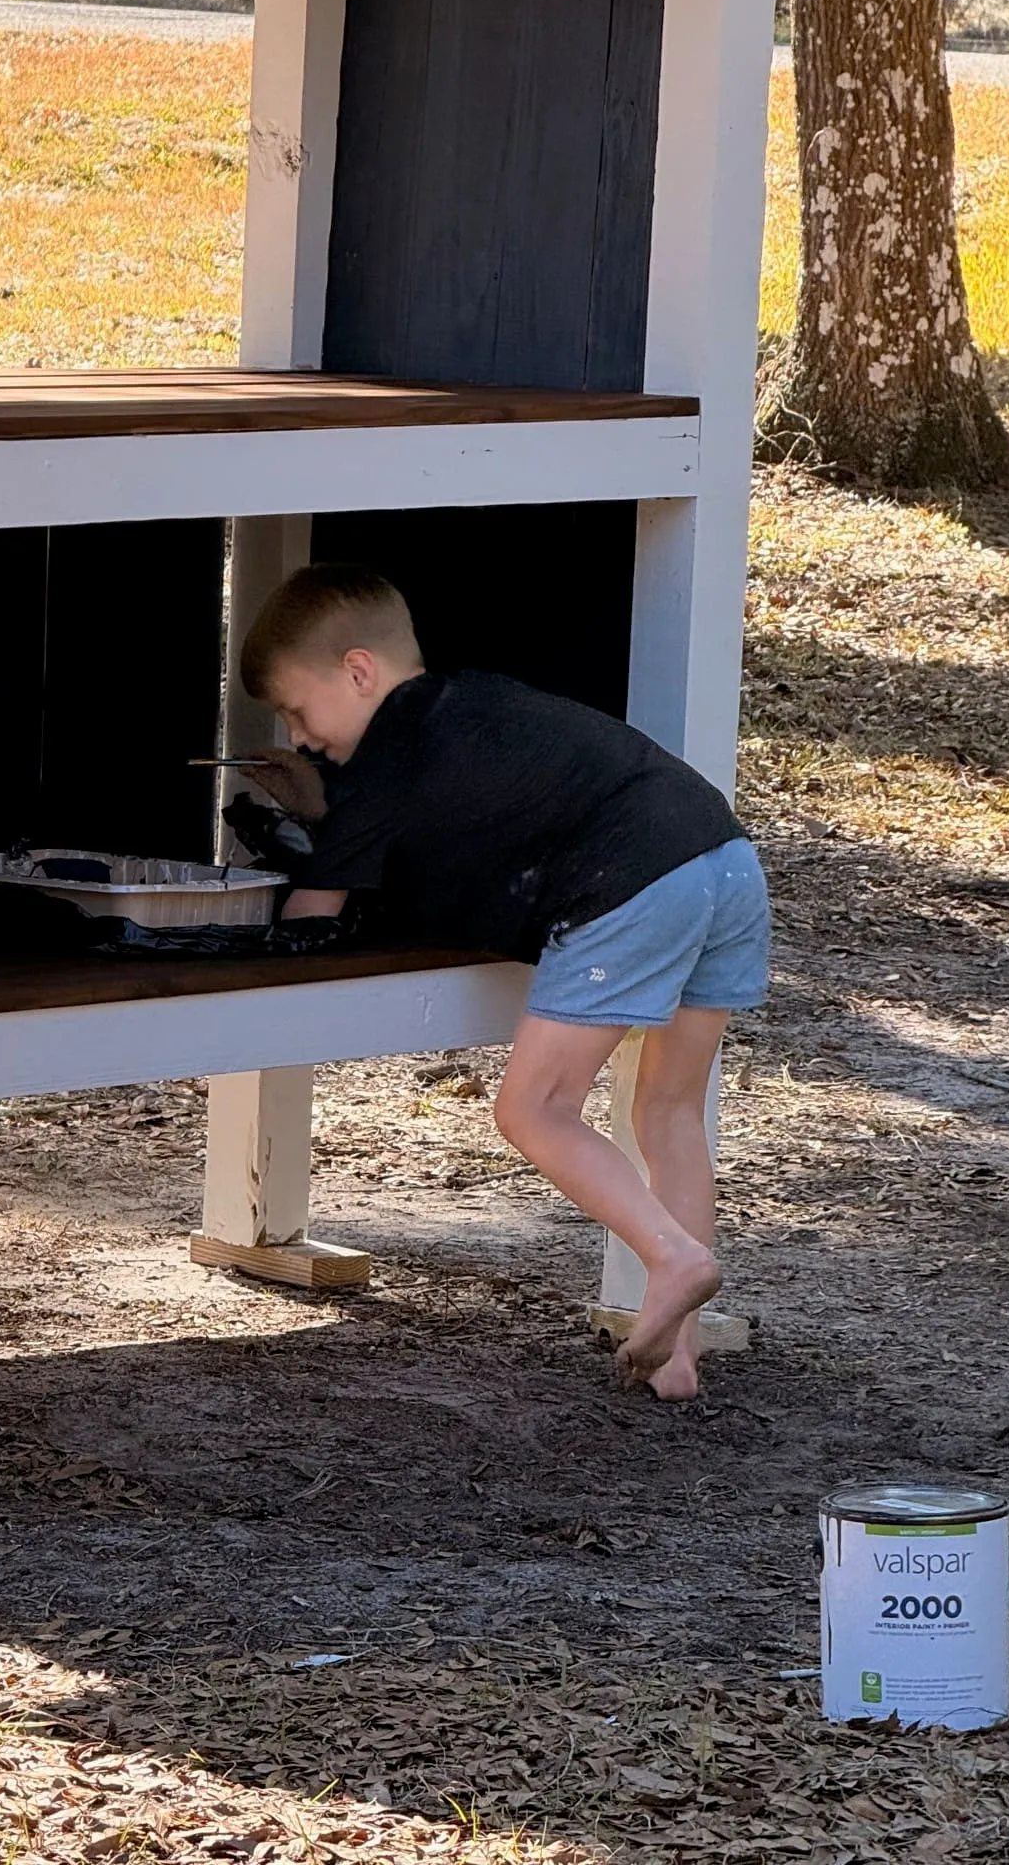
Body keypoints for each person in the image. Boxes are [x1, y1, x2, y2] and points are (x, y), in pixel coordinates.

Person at [234, 563, 769, 1402]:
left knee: (533, 1108)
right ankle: (679, 1360)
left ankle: (672, 1256)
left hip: (629, 881)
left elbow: (311, 916)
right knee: (667, 1108)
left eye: (299, 711)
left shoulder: (388, 750)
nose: (298, 737)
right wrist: (324, 805)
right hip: (724, 857)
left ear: (360, 672)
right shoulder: (473, 699)